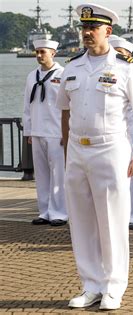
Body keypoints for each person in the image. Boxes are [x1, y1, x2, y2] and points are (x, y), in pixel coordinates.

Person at [56, 3, 133, 310]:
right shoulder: (72, 67)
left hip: (110, 149)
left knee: (112, 221)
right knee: (82, 222)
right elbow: (65, 110)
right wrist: (66, 145)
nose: (86, 33)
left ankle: (113, 287)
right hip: (77, 151)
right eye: (83, 28)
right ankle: (90, 285)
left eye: (92, 29)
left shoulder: (126, 68)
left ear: (107, 32)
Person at [23, 39, 67, 226]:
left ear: (53, 53)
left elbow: (68, 106)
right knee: (41, 175)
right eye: (37, 52)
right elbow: (27, 105)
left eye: (43, 52)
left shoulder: (63, 74)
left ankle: (59, 212)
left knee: (58, 175)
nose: (39, 55)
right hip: (39, 130)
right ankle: (44, 211)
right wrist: (29, 131)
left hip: (56, 132)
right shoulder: (32, 76)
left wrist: (67, 133)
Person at [108, 35, 133, 230]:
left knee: (132, 178)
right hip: (113, 134)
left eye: (121, 54)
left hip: (132, 132)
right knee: (111, 177)